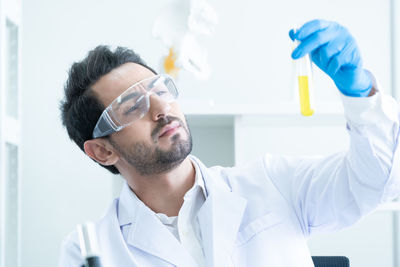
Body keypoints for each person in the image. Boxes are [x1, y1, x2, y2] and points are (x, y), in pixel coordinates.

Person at [58, 19, 400, 267]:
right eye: (134, 106)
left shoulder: (273, 183)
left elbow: (377, 183)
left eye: (161, 90)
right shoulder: (92, 250)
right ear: (102, 150)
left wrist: (362, 95)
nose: (161, 108)